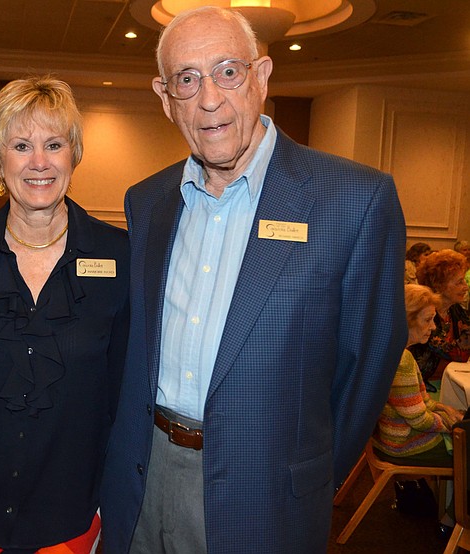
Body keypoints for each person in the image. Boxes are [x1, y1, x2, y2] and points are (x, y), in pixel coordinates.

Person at [100, 6, 407, 554]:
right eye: (187, 80)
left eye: (227, 71)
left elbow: (370, 362)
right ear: (165, 98)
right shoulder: (147, 201)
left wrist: (307, 469)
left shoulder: (354, 199)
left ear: (262, 76)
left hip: (267, 492)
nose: (209, 98)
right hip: (144, 478)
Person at [0, 76, 129, 553]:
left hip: (71, 519)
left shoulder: (121, 256)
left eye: (53, 144)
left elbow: (123, 395)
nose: (39, 162)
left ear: (73, 154)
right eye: (21, 145)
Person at [374, 284, 463, 466]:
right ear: (407, 320)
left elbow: (421, 402)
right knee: (466, 450)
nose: (433, 326)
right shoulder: (402, 358)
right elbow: (418, 419)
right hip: (405, 444)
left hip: (391, 438)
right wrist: (453, 424)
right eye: (428, 320)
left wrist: (444, 408)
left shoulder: (392, 350)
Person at [410, 249, 470, 382]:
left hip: (452, 381)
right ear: (439, 285)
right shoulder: (424, 314)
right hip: (424, 384)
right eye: (459, 282)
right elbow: (459, 353)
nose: (466, 287)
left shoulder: (456, 311)